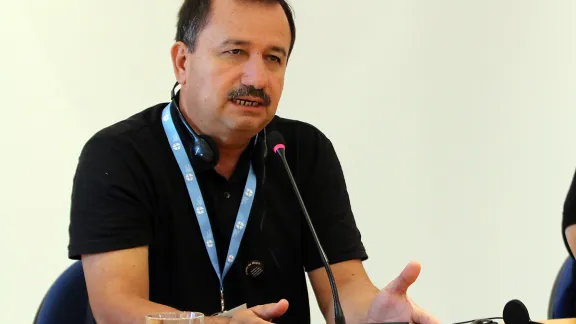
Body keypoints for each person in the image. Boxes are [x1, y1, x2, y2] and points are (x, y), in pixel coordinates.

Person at [67, 0, 440, 323]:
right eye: (235, 52)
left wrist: (373, 315)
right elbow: (117, 310)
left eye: (273, 58)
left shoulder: (302, 151)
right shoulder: (119, 155)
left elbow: (345, 289)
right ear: (183, 62)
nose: (257, 77)